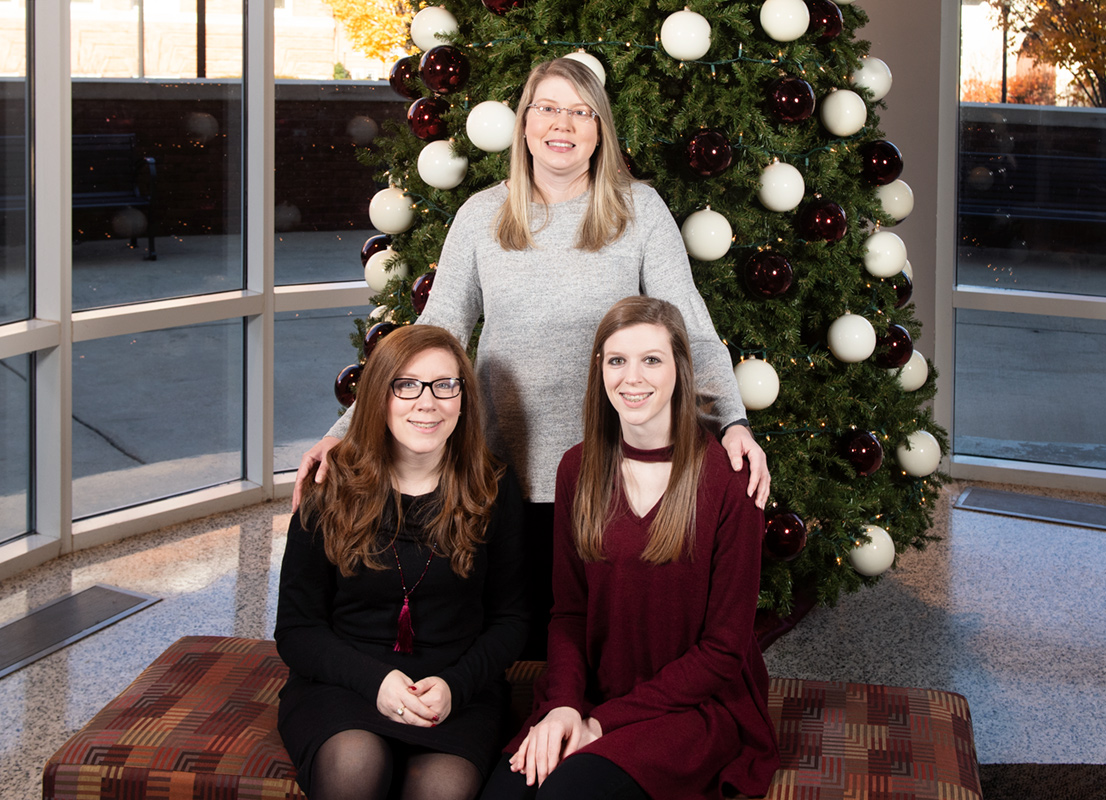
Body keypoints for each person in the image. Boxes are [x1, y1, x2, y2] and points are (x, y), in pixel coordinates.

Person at [296, 57, 769, 656]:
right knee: (515, 640)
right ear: (524, 124)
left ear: (600, 130)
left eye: (580, 111)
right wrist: (346, 429)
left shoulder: (639, 210)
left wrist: (732, 422)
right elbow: (433, 336)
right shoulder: (479, 216)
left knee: (597, 641)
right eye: (546, 107)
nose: (562, 123)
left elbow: (690, 330)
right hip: (501, 471)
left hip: (605, 468)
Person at [480, 296, 780, 800]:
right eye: (617, 360)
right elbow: (569, 614)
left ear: (681, 370)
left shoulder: (730, 477)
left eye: (652, 360)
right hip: (592, 690)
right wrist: (566, 707)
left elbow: (725, 648)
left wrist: (601, 723)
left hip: (691, 706)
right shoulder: (577, 468)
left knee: (566, 794)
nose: (632, 378)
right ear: (600, 370)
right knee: (505, 795)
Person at [274, 324, 528, 800]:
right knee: (354, 763)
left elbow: (511, 619)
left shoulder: (493, 487)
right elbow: (295, 629)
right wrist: (376, 682)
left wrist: (456, 685)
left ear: (463, 398)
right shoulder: (331, 488)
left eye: (444, 385)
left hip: (456, 691)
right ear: (378, 396)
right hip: (345, 684)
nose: (426, 402)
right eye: (406, 385)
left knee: (443, 788)